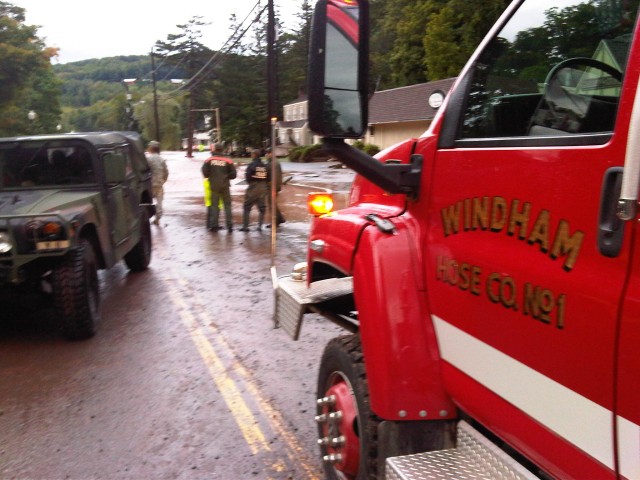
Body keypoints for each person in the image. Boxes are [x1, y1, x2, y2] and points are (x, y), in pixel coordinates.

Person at [201, 143, 237, 232]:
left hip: (214, 186)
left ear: (215, 150)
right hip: (225, 186)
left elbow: (204, 172)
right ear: (222, 150)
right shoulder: (228, 161)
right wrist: (227, 176)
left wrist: (211, 176)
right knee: (227, 206)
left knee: (214, 206)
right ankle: (229, 226)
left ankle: (214, 225)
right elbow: (234, 174)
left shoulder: (209, 160)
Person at [239, 149, 270, 232]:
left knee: (247, 206)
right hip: (263, 187)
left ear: (254, 155)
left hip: (253, 187)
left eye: (252, 154)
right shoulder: (264, 165)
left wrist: (251, 184)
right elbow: (268, 177)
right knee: (262, 208)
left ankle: (245, 226)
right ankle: (259, 226)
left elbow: (247, 177)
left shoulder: (251, 165)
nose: (251, 155)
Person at [147, 141, 169, 226]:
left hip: (150, 184)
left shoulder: (149, 159)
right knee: (159, 202)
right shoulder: (161, 159)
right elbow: (166, 172)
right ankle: (157, 218)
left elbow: (145, 171)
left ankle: (146, 218)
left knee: (146, 202)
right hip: (159, 184)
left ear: (151, 148)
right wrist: (163, 181)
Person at [265, 148, 286, 227]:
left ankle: (275, 221)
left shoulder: (274, 163)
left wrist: (275, 187)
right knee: (273, 203)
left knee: (271, 204)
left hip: (272, 186)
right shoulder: (272, 162)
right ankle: (280, 218)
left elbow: (276, 176)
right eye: (266, 153)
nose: (266, 155)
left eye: (268, 153)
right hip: (272, 186)